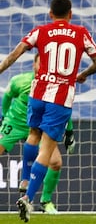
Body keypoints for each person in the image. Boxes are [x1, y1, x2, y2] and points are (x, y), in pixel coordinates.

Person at [0, 0, 96, 222]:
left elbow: (14, 55)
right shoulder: (81, 32)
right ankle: (28, 197)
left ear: (50, 14)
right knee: (47, 149)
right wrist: (82, 75)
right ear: (70, 14)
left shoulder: (40, 31)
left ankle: (25, 179)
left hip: (37, 93)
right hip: (61, 97)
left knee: (33, 135)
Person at [0, 53, 76, 214]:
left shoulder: (56, 87)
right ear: (34, 65)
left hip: (41, 127)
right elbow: (6, 98)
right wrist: (3, 118)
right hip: (15, 122)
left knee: (56, 162)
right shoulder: (19, 81)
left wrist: (69, 132)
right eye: (40, 64)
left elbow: (64, 111)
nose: (43, 68)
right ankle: (25, 181)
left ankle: (45, 201)